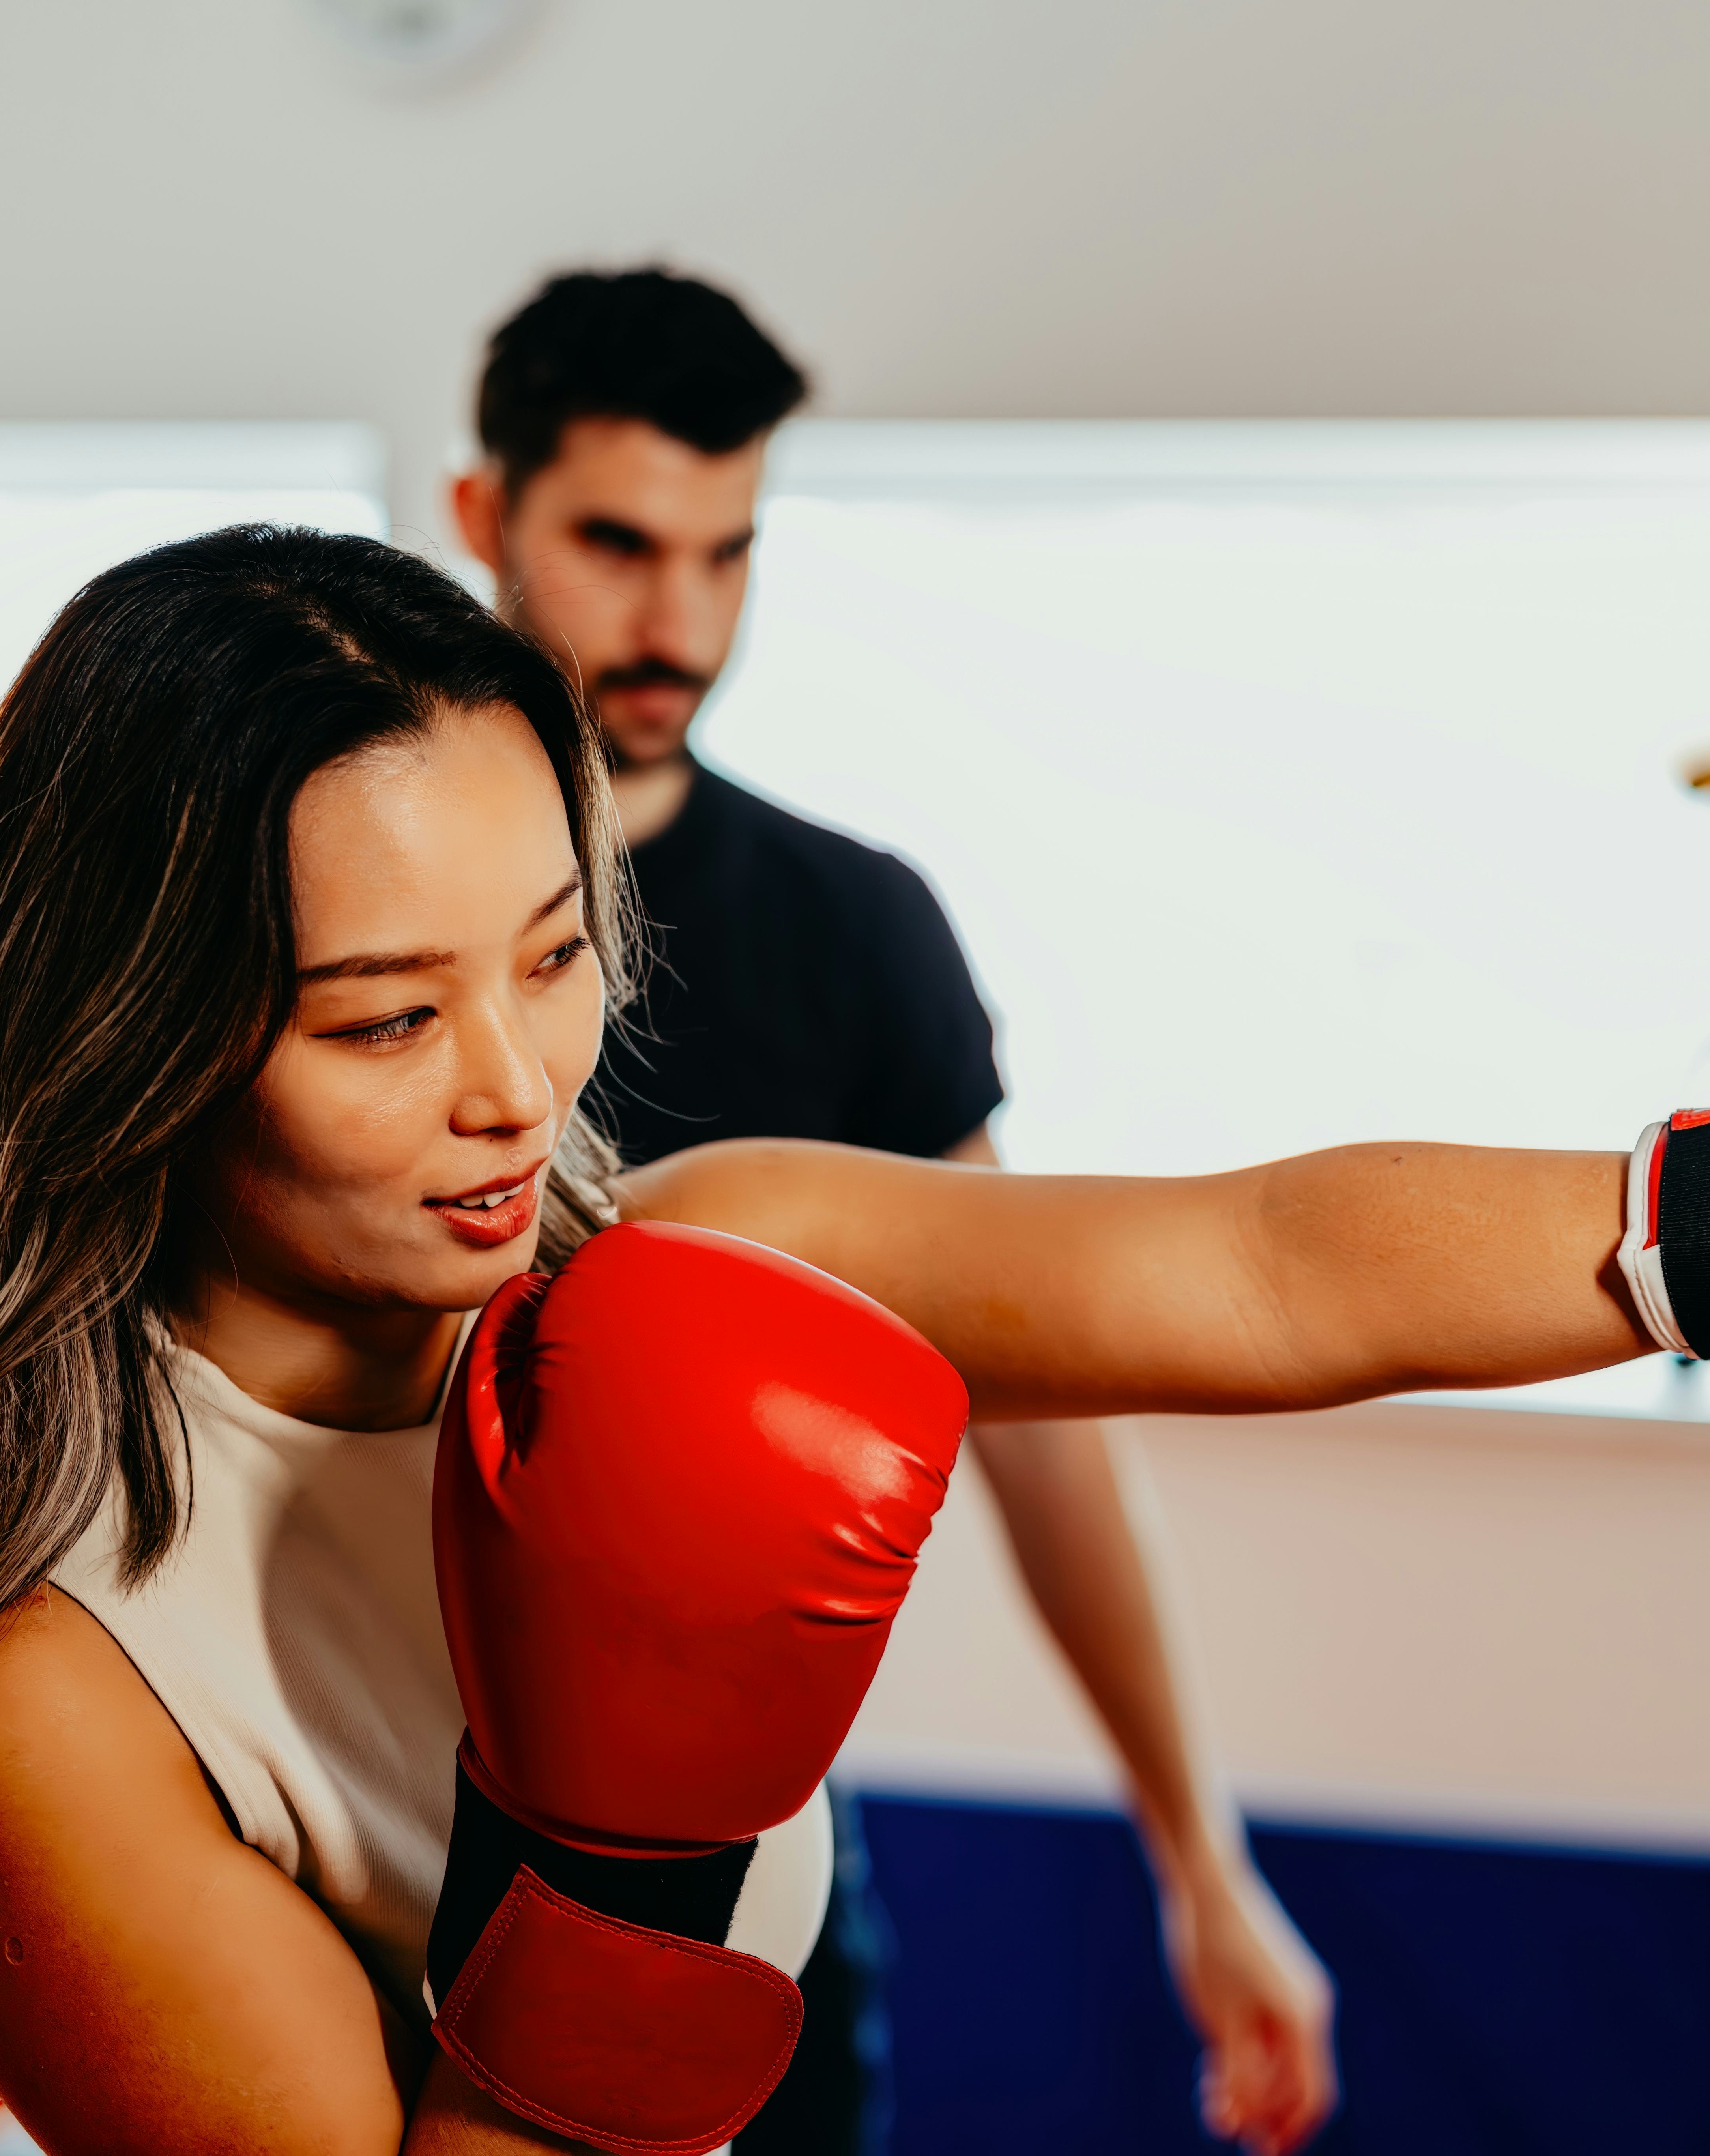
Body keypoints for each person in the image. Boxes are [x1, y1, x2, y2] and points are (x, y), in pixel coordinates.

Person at [0, 527, 1710, 2156]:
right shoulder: (50, 1713)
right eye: (382, 1019)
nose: (513, 1090)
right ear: (136, 1033)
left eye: (547, 960)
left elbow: (1257, 1263)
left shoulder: (689, 1266)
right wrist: (616, 1856)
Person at [441, 268, 1330, 2154]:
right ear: (480, 519)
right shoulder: (331, 899)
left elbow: (1047, 1428)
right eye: (614, 542)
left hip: (739, 1868)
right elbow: (78, 1352)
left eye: (726, 552)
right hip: (359, 1806)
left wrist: (1196, 1853)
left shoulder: (852, 930)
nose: (677, 617)